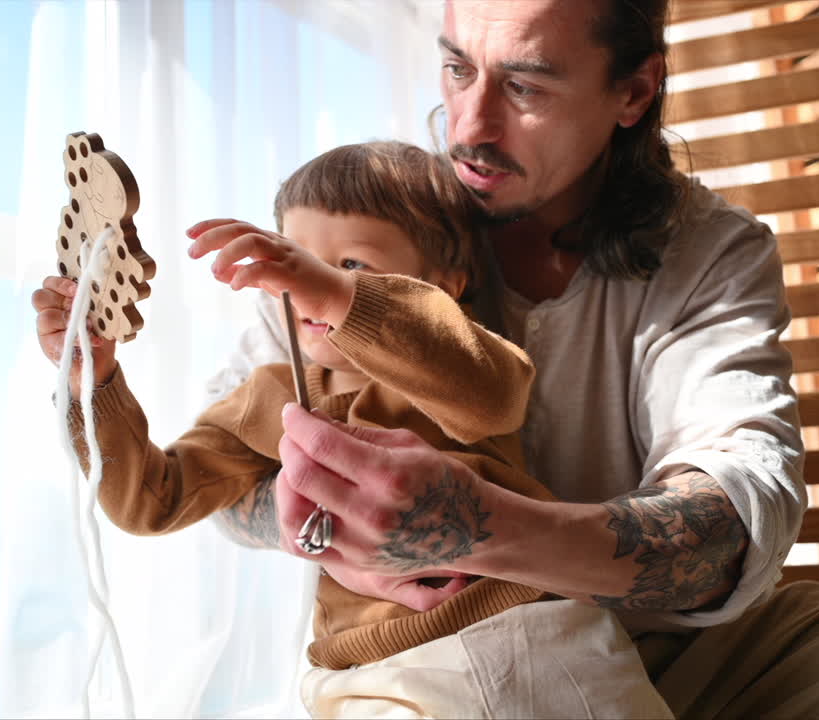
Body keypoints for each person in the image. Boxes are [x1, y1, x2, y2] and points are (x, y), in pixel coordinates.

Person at [192, 1, 819, 718]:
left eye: (525, 85)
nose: (470, 127)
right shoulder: (376, 221)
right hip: (441, 652)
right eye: (456, 70)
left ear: (633, 92)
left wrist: (488, 530)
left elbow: (737, 507)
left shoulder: (711, 251)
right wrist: (326, 530)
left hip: (707, 654)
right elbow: (222, 475)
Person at [33, 140, 673, 717]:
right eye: (293, 260)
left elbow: (497, 397)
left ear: (447, 284)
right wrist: (93, 384)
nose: (303, 284)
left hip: (526, 640)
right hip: (366, 674)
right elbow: (152, 500)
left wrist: (338, 295)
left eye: (352, 265)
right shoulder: (266, 396)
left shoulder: (451, 363)